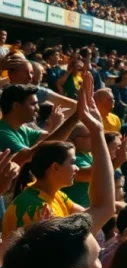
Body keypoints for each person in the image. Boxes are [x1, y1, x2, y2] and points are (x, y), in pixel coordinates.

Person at [2, 74, 115, 242]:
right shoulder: (2, 132)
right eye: (33, 104)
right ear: (16, 106)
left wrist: (82, 117)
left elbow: (52, 141)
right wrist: (80, 117)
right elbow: (32, 154)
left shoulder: (24, 129)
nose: (37, 108)